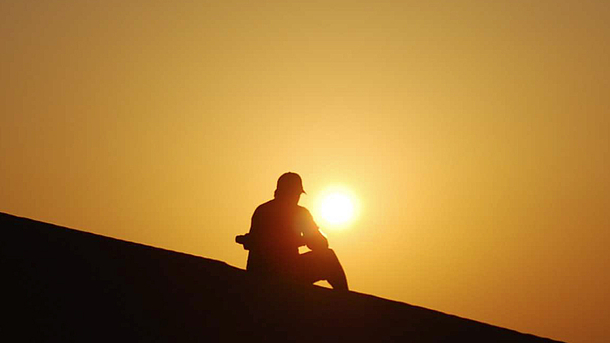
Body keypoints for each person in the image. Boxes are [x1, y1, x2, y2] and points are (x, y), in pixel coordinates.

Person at [236, 172, 348, 290]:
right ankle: (345, 300)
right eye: (295, 194)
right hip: (279, 272)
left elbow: (321, 243)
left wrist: (309, 239)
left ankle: (343, 299)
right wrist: (307, 239)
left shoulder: (263, 210)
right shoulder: (294, 213)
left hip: (279, 270)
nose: (297, 197)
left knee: (326, 255)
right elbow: (260, 246)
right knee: (328, 257)